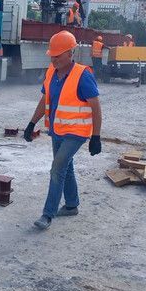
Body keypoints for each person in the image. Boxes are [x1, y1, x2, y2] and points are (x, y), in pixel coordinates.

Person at [23, 30, 102, 230]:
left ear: (70, 53)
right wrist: (32, 123)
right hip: (57, 130)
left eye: (58, 55)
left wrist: (96, 137)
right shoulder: (51, 73)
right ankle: (72, 205)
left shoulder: (83, 75)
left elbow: (96, 107)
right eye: (52, 55)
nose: (54, 59)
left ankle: (47, 215)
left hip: (77, 133)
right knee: (66, 167)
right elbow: (44, 100)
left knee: (57, 168)